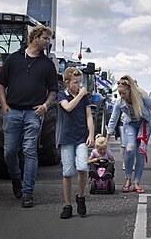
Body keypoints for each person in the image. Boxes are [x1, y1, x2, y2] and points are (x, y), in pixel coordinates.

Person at [0, 25, 59, 208]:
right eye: (45, 38)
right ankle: (16, 178)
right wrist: (4, 104)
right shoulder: (14, 59)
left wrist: (46, 106)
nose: (48, 42)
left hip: (34, 113)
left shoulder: (47, 64)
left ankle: (28, 192)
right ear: (35, 37)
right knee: (9, 152)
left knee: (30, 151)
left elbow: (54, 90)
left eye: (49, 39)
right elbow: (0, 83)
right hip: (12, 111)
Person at [106, 75, 151, 194]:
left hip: (144, 124)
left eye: (123, 93)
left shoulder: (142, 95)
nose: (122, 96)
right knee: (130, 148)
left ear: (129, 90)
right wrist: (108, 135)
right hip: (130, 124)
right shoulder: (120, 102)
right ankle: (128, 179)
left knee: (140, 152)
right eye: (119, 93)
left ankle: (136, 182)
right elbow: (113, 118)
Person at [57, 67, 94, 219]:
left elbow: (89, 116)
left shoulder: (84, 97)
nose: (79, 85)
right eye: (75, 82)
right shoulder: (62, 95)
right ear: (67, 82)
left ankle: (80, 196)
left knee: (83, 167)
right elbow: (68, 107)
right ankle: (67, 204)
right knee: (67, 172)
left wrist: (91, 134)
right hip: (66, 138)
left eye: (80, 82)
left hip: (80, 137)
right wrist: (80, 94)